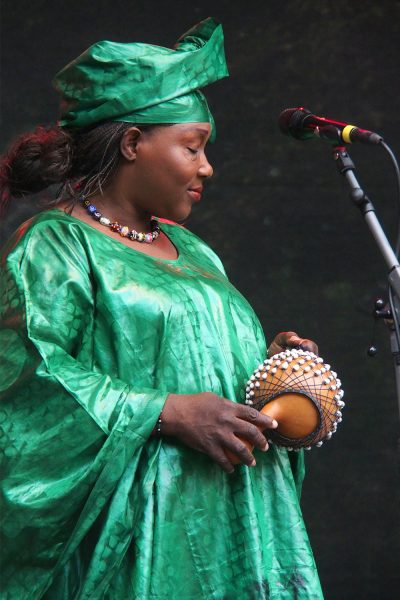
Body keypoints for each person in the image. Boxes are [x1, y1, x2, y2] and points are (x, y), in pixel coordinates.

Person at [0, 18, 323, 600]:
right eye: (193, 146)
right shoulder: (57, 244)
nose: (207, 167)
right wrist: (166, 412)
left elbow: (195, 359)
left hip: (239, 519)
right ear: (132, 143)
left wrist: (269, 369)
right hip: (145, 531)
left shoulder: (192, 249)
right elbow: (31, 378)